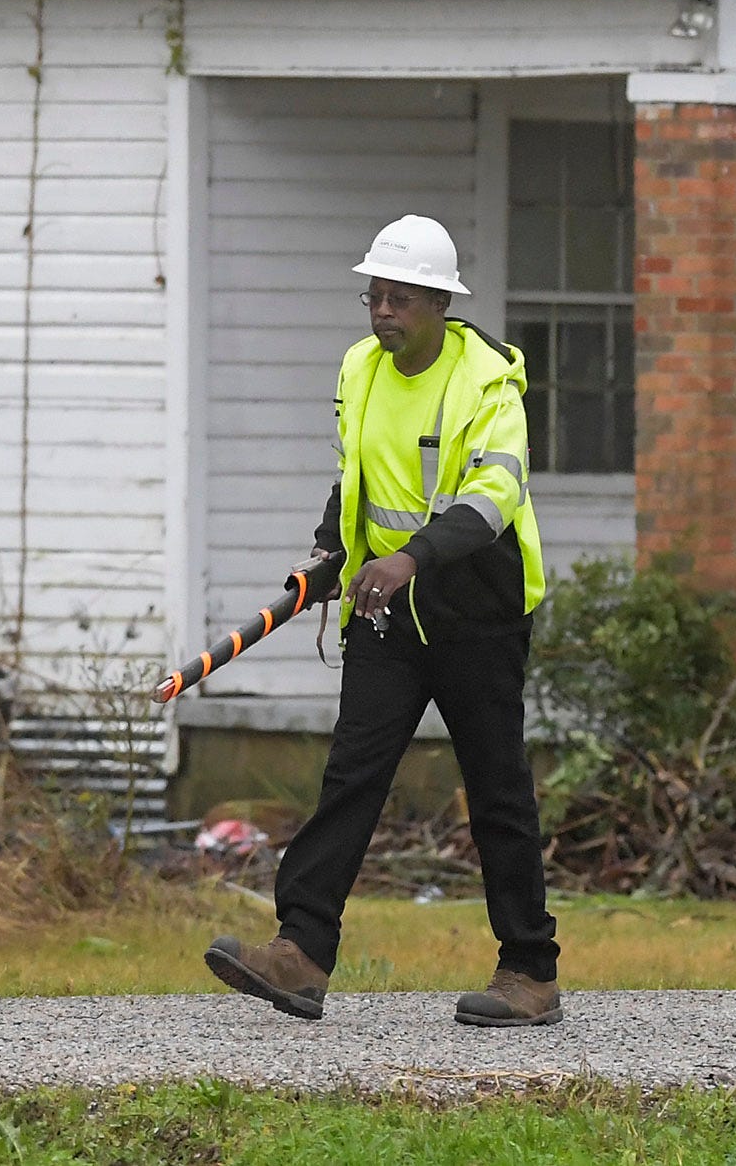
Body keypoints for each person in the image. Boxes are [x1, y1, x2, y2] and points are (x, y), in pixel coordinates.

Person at [204, 214, 559, 1028]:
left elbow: (492, 499)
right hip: (384, 615)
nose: (381, 312)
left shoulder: (488, 381)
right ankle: (300, 952)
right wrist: (332, 555)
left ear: (439, 301)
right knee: (352, 778)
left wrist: (411, 560)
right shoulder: (360, 369)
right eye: (374, 296)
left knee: (498, 793)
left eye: (399, 298)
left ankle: (531, 972)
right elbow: (357, 477)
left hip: (479, 613)